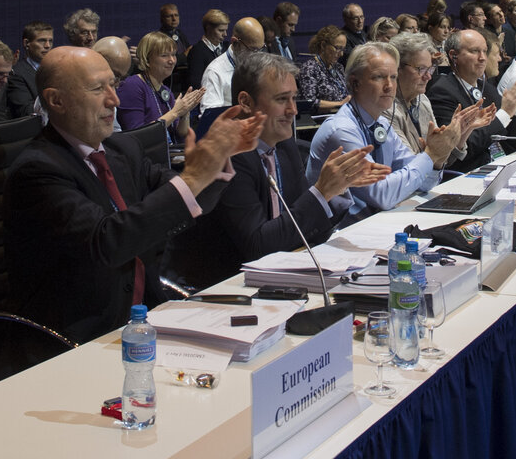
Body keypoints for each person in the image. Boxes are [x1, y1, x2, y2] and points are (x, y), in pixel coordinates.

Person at [0, 46, 261, 359]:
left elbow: (181, 199)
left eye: (115, 84)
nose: (115, 100)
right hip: (77, 339)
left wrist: (219, 158)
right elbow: (107, 241)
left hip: (145, 320)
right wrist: (192, 178)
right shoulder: (37, 170)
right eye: (98, 89)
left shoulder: (122, 149)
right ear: (57, 101)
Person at [166, 52, 387, 291]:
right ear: (246, 102)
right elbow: (259, 247)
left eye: (294, 98)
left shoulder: (284, 146)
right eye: (282, 100)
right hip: (224, 290)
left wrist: (336, 188)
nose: (293, 110)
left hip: (277, 279)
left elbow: (306, 230)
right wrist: (321, 192)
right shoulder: (228, 155)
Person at [306, 43, 471, 215]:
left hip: (374, 225)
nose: (389, 86)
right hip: (339, 233)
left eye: (393, 77)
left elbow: (423, 182)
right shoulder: (341, 130)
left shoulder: (382, 124)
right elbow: (382, 195)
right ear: (355, 83)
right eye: (379, 77)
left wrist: (435, 161)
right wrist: (430, 155)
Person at [428, 30, 516, 172]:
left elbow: (513, 140)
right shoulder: (442, 92)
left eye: (485, 51)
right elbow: (465, 147)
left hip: (500, 167)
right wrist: (505, 113)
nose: (482, 58)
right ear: (454, 55)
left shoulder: (488, 90)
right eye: (474, 51)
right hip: (466, 174)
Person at [118, 32, 201, 140]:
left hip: (170, 153)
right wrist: (175, 112)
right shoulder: (132, 86)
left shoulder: (165, 90)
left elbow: (181, 134)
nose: (172, 60)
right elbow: (136, 134)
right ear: (147, 58)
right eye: (164, 55)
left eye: (174, 54)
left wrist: (185, 112)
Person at [200, 17, 266, 111]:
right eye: (253, 50)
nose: (258, 55)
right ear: (235, 42)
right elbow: (211, 117)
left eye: (261, 49)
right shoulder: (214, 72)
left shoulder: (261, 65)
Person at [5, 20, 55, 118]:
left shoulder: (56, 70)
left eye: (50, 41)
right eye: (42, 40)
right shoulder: (16, 74)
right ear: (26, 43)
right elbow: (26, 112)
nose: (47, 46)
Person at [297, 25, 350, 115]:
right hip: (320, 121)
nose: (341, 54)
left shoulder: (338, 67)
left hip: (342, 116)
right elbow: (309, 102)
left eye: (343, 49)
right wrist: (340, 104)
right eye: (337, 48)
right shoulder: (310, 68)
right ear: (323, 45)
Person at [184, 9, 229, 90]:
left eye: (226, 30)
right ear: (208, 28)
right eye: (221, 30)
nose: (225, 34)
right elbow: (196, 85)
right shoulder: (197, 52)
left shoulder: (227, 48)